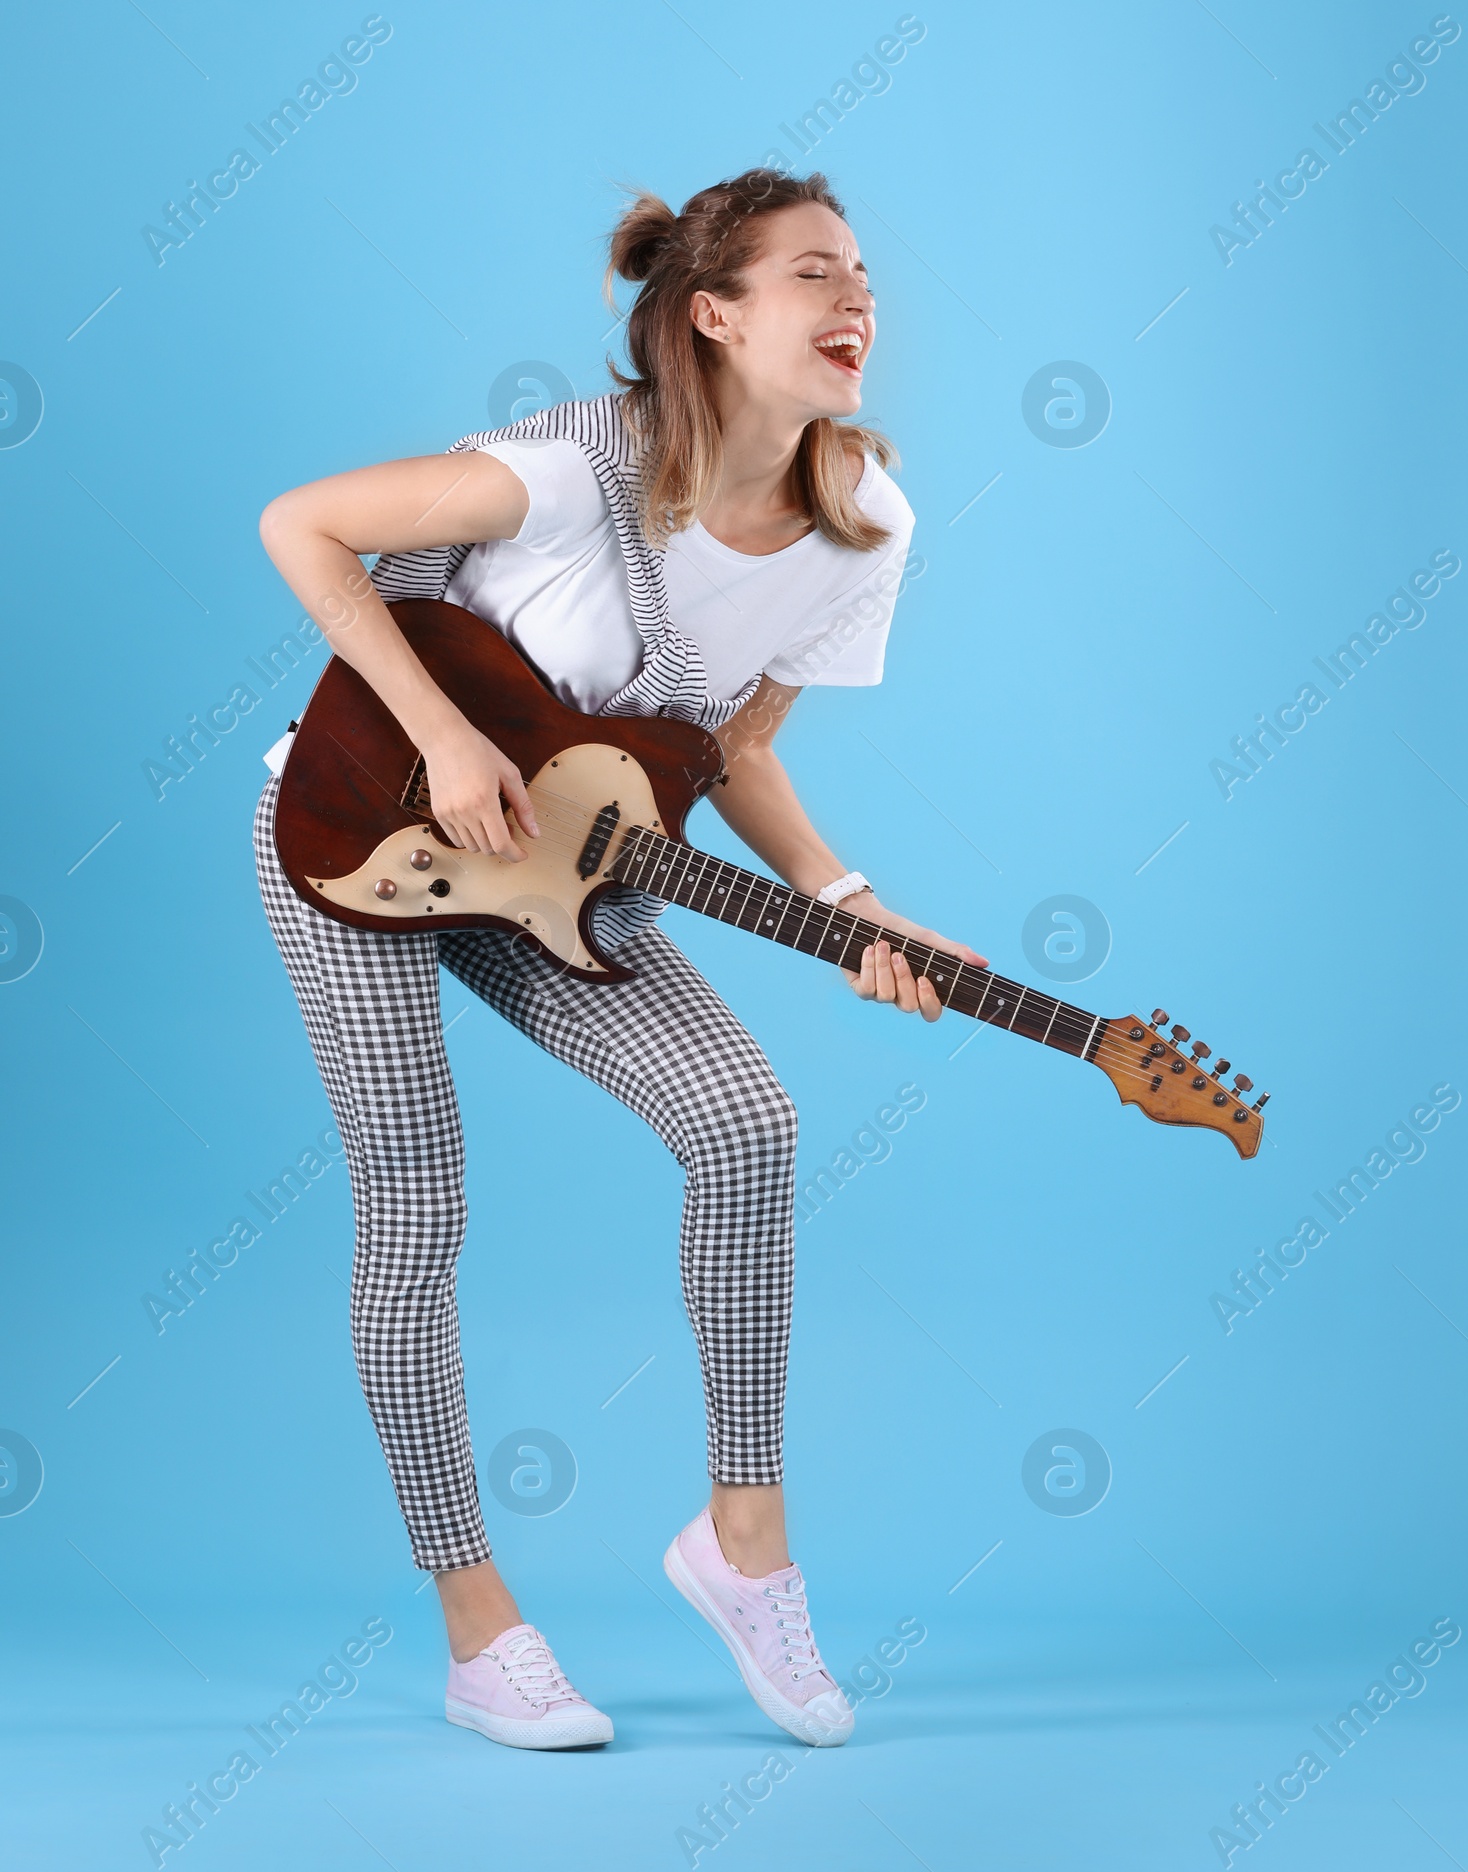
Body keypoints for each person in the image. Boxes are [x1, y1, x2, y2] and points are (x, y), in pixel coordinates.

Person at [253, 169, 985, 1751]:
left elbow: (729, 754)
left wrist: (853, 899)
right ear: (712, 316)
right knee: (421, 1200)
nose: (858, 300)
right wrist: (443, 736)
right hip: (362, 842)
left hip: (565, 872)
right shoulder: (576, 471)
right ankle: (477, 1629)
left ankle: (743, 1546)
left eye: (864, 274)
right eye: (812, 275)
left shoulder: (867, 525)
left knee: (746, 1124)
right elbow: (299, 524)